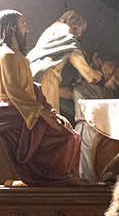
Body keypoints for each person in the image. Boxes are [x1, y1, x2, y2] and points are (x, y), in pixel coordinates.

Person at [0, 10, 84, 186]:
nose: (26, 30)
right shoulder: (6, 55)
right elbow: (14, 90)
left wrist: (50, 110)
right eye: (23, 25)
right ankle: (54, 179)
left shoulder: (20, 57)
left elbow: (31, 89)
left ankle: (61, 177)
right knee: (64, 137)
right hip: (13, 110)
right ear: (13, 27)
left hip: (26, 108)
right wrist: (39, 112)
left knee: (71, 133)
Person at [26, 10, 103, 121]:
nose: (80, 33)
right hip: (47, 75)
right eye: (82, 28)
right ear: (76, 23)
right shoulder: (63, 28)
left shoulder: (52, 28)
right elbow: (73, 50)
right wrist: (90, 74)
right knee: (50, 116)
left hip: (40, 73)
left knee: (45, 114)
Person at [74, 59, 119, 182]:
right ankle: (90, 178)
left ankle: (107, 176)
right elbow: (90, 113)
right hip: (87, 126)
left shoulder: (106, 91)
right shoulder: (81, 89)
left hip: (104, 126)